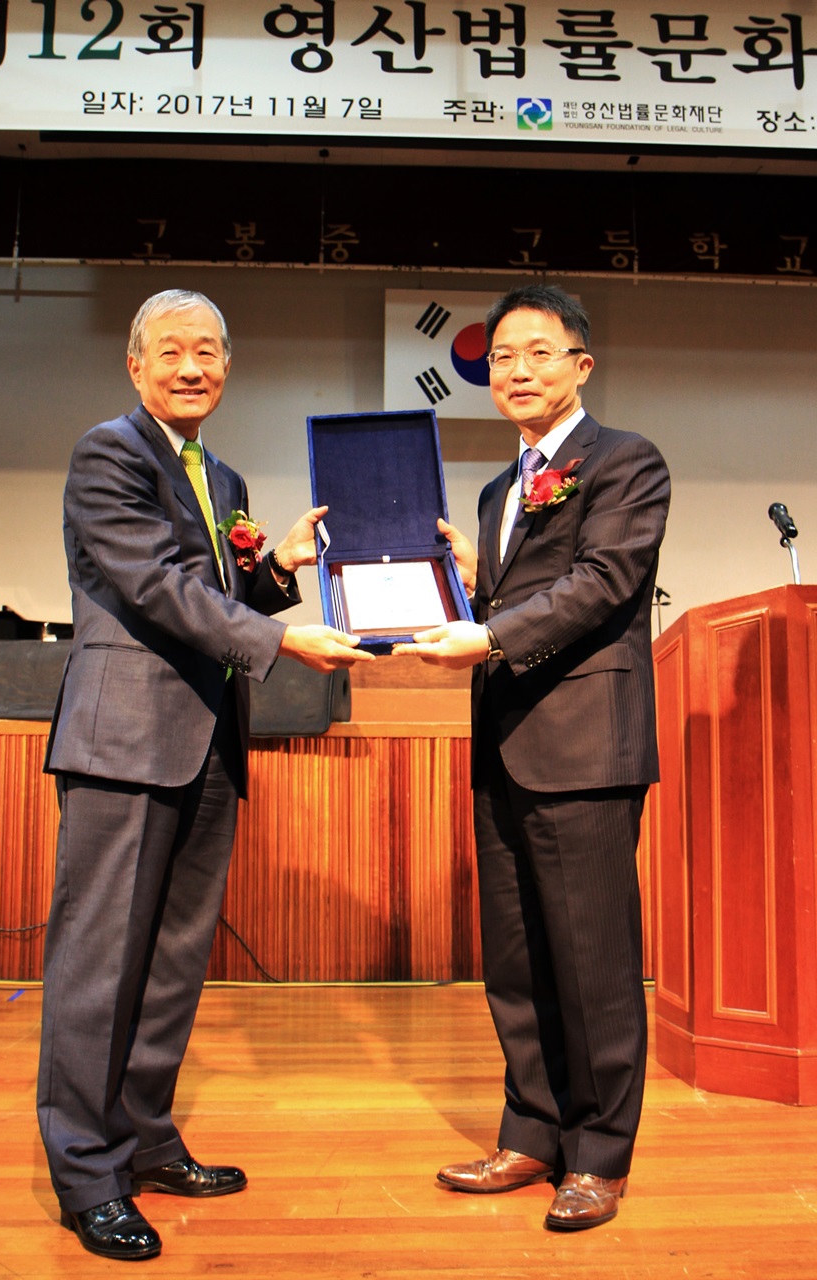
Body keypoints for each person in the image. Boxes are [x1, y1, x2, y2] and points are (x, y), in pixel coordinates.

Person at [36, 288, 374, 1261]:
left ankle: (144, 1137)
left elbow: (213, 591)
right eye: (173, 351)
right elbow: (148, 581)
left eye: (210, 352)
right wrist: (275, 630)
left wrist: (276, 568)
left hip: (210, 741)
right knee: (100, 964)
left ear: (227, 366)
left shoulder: (217, 473)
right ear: (136, 365)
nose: (193, 367)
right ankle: (86, 1172)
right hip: (125, 740)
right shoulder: (110, 451)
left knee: (173, 960)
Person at [394, 284, 670, 1231]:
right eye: (503, 355)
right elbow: (515, 597)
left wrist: (489, 634)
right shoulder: (496, 489)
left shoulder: (627, 463)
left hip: (585, 748)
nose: (517, 370)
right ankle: (532, 1130)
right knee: (514, 959)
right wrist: (462, 582)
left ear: (581, 366)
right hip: (504, 745)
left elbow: (599, 584)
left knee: (592, 959)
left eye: (540, 353)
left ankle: (599, 1155)